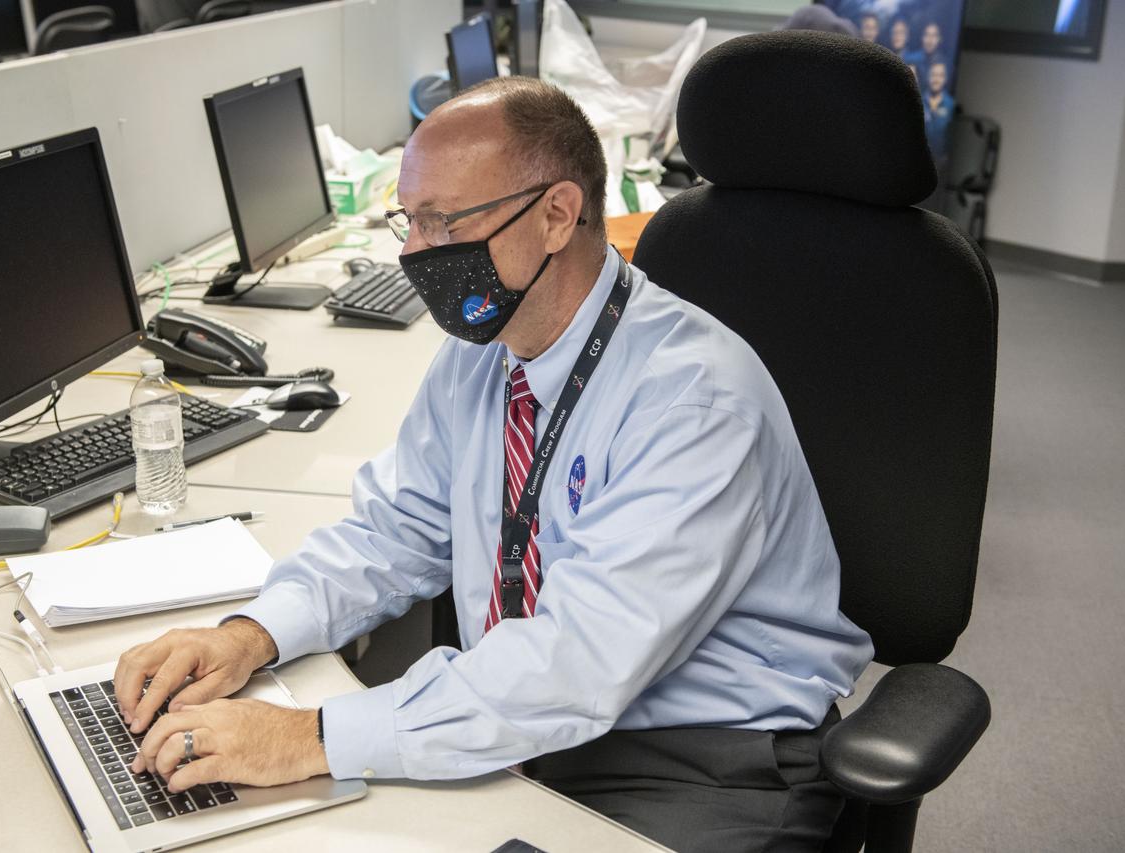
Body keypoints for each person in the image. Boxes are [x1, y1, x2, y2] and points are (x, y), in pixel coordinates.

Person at [113, 77, 873, 852]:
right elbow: (394, 530)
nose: (414, 252)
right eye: (409, 221)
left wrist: (303, 736)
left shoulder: (694, 400)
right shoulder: (485, 353)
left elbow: (576, 661)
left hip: (705, 757)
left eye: (444, 221)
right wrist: (251, 634)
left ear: (556, 214)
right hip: (533, 727)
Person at [924, 60, 956, 165]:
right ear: (928, 77)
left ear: (945, 79)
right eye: (933, 75)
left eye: (940, 76)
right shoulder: (917, 100)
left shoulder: (951, 105)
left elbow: (952, 137)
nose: (936, 79)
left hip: (940, 164)